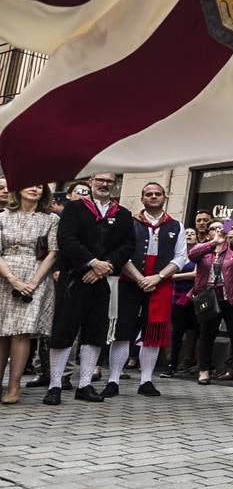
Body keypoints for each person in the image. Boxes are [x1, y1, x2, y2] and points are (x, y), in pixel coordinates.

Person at [48, 173, 133, 404]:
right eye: (100, 180)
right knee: (64, 330)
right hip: (75, 277)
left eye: (109, 181)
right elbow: (66, 240)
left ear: (114, 185)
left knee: (95, 332)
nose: (104, 184)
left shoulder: (123, 214)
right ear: (92, 182)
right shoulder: (75, 209)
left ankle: (84, 385)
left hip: (104, 280)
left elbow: (128, 246)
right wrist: (91, 262)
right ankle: (55, 386)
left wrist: (104, 267)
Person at [109, 183, 187, 398]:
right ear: (142, 198)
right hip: (129, 281)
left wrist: (158, 277)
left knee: (153, 332)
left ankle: (146, 381)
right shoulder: (129, 223)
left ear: (165, 197)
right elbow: (121, 253)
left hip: (160, 283)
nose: (153, 197)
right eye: (148, 194)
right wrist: (140, 278)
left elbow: (181, 257)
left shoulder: (176, 225)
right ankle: (113, 379)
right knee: (122, 331)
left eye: (157, 194)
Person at [0, 185, 59, 404]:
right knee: (2, 331)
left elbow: (53, 252)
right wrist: (13, 279)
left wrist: (32, 283)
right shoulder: (3, 217)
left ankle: (14, 386)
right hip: (5, 274)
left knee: (21, 332)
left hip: (37, 275)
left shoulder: (50, 219)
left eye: (40, 186)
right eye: (30, 184)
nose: (34, 189)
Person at [189, 221, 233, 385]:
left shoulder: (232, 250)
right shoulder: (204, 250)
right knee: (207, 334)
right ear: (208, 234)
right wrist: (214, 242)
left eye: (222, 228)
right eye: (214, 228)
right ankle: (204, 370)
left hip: (231, 297)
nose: (219, 230)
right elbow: (192, 255)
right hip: (208, 296)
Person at [166, 228, 197, 375]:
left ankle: (187, 361)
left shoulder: (198, 253)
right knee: (176, 331)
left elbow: (196, 274)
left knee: (193, 331)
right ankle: (171, 363)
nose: (189, 235)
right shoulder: (177, 253)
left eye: (192, 233)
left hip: (193, 297)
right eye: (187, 233)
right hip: (176, 297)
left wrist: (173, 276)